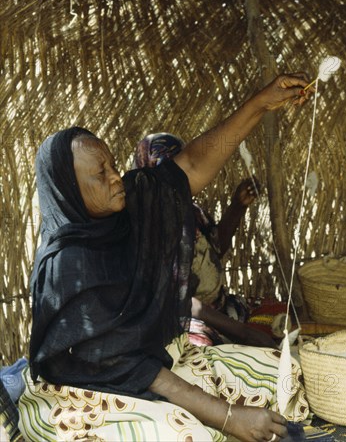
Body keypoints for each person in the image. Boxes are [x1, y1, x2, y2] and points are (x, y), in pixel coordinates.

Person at [19, 74, 311, 442]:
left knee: (280, 372)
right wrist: (227, 416)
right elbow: (123, 365)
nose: (116, 178)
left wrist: (260, 103)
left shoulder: (131, 210)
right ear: (69, 192)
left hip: (158, 363)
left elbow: (188, 167)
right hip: (93, 388)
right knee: (188, 434)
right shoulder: (67, 266)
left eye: (112, 165)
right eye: (100, 174)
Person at [133, 133, 277, 348]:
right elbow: (177, 299)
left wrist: (238, 206)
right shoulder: (146, 226)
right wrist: (243, 332)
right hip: (180, 314)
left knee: (279, 314)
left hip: (218, 308)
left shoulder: (192, 211)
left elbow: (215, 250)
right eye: (168, 172)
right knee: (197, 346)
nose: (176, 179)